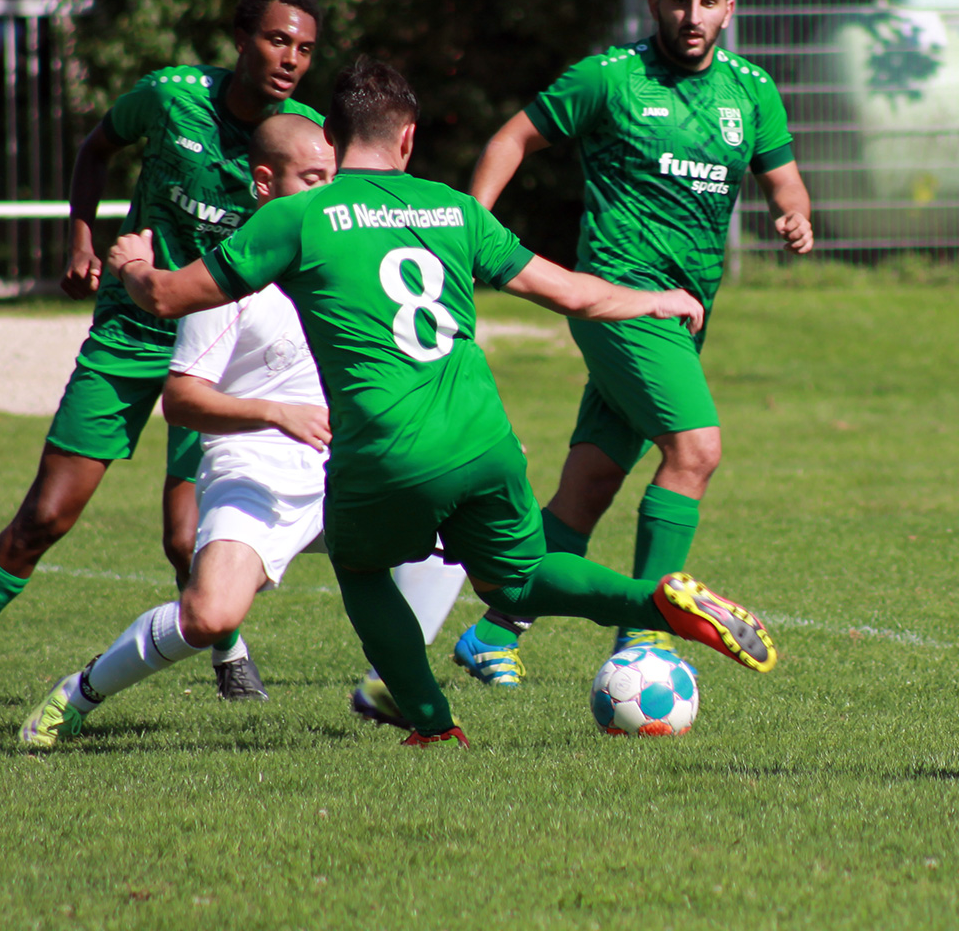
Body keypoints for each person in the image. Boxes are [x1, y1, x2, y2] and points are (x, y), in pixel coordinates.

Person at [102, 56, 778, 749]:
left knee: (361, 567)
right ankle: (657, 602)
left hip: (387, 446)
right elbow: (574, 292)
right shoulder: (455, 209)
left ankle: (430, 721)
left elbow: (165, 296)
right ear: (408, 139)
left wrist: (129, 265)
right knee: (517, 582)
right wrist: (659, 299)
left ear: (330, 139)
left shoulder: (302, 216)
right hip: (484, 439)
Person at [0, 0, 323, 709]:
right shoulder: (171, 96)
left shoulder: (302, 137)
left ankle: (229, 653)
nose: (291, 59)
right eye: (278, 41)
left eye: (305, 49)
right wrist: (82, 237)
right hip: (130, 329)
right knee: (46, 516)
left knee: (186, 541)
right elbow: (98, 148)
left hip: (221, 351)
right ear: (241, 41)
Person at [20, 114, 466, 747]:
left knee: (460, 508)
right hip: (255, 472)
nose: (329, 190)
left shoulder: (346, 252)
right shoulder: (230, 278)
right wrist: (275, 413)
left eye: (333, 176)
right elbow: (179, 401)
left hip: (342, 468)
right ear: (264, 182)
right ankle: (79, 692)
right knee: (210, 615)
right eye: (313, 177)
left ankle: (388, 685)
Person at [453, 0, 814, 687]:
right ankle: (646, 639)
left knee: (588, 487)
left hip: (687, 318)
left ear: (729, 10)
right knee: (696, 450)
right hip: (620, 302)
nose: (692, 15)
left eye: (707, 2)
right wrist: (471, 230)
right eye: (678, 0)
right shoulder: (609, 79)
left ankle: (494, 632)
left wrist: (794, 215)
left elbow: (786, 179)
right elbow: (513, 137)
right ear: (653, 4)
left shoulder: (751, 90)